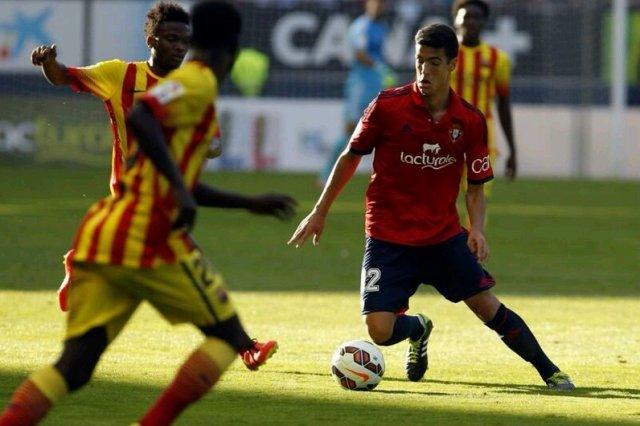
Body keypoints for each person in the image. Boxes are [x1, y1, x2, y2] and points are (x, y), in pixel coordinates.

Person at [0, 2, 297, 425]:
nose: (178, 47)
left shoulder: (192, 90)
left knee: (75, 368)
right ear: (231, 50)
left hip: (109, 228)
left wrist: (246, 202)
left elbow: (185, 173)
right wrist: (180, 187)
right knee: (224, 337)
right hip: (148, 228)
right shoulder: (184, 83)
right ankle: (242, 348)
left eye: (184, 39)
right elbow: (139, 116)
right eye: (171, 38)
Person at [289, 23, 574, 390]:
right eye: (419, 61)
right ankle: (419, 328)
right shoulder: (387, 106)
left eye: (434, 63)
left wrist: (478, 228)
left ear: (452, 64)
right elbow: (349, 157)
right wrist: (320, 211)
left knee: (486, 307)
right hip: (387, 235)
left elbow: (475, 186)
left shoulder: (470, 121)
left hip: (441, 236)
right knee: (378, 330)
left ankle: (550, 371)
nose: (424, 72)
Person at [317, 0, 393, 186]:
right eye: (375, 3)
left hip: (376, 83)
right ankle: (326, 174)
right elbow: (359, 53)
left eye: (382, 4)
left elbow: (378, 53)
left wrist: (382, 73)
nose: (379, 7)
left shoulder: (381, 27)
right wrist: (379, 67)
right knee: (350, 130)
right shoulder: (360, 26)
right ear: (367, 5)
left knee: (386, 128)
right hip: (360, 84)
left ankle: (386, 175)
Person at [451, 0, 517, 188]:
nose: (471, 22)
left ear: (484, 22)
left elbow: (503, 104)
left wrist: (513, 150)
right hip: (445, 133)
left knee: (478, 197)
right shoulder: (442, 55)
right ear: (456, 20)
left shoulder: (499, 59)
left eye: (476, 17)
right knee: (443, 201)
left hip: (483, 136)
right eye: (466, 17)